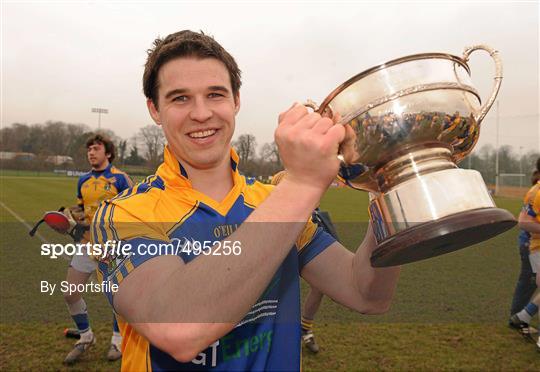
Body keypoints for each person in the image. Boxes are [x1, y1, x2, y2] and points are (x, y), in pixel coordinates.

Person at [92, 30, 400, 371]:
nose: (201, 113)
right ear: (155, 109)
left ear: (236, 100)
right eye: (180, 98)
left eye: (215, 94)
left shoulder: (272, 201)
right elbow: (179, 328)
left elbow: (366, 293)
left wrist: (390, 189)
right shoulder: (123, 212)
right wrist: (302, 184)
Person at [63, 134, 133, 365]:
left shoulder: (121, 179)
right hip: (86, 244)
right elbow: (81, 209)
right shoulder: (82, 180)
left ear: (108, 153)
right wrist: (69, 217)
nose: (91, 152)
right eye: (89, 150)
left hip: (113, 247)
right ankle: (85, 336)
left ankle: (117, 339)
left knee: (118, 298)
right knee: (70, 293)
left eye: (96, 148)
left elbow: (133, 212)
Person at [271, 170, 340, 354]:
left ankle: (305, 327)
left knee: (321, 286)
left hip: (304, 235)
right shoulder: (280, 179)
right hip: (278, 238)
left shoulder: (308, 179)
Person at [509, 158, 540, 352]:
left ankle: (523, 316)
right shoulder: (537, 192)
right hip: (536, 246)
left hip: (534, 246)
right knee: (526, 282)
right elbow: (524, 222)